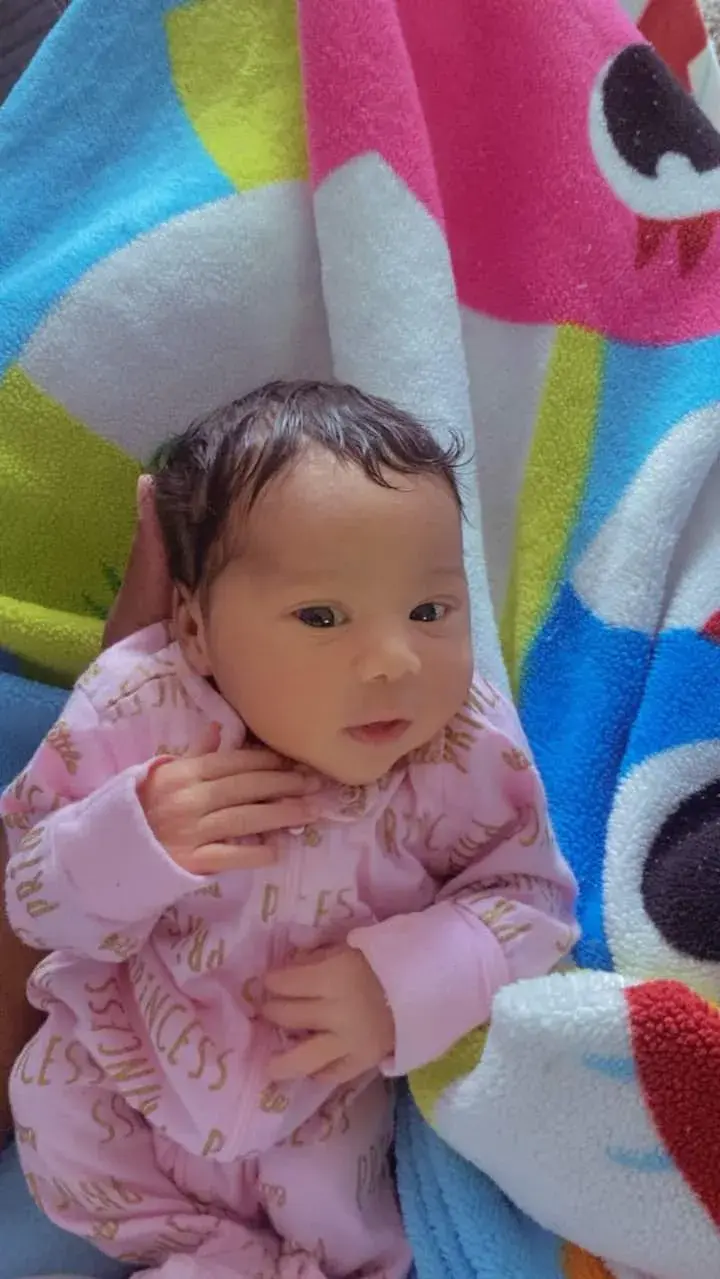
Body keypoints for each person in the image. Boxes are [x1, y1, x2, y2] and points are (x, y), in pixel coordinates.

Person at [2, 381, 578, 1279]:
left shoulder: (462, 742)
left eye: (430, 611)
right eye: (321, 616)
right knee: (57, 1108)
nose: (393, 660)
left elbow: (531, 899)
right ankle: (202, 1256)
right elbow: (30, 896)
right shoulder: (137, 705)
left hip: (322, 1095)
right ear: (193, 627)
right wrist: (126, 838)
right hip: (129, 1063)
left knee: (348, 1210)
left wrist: (403, 985)